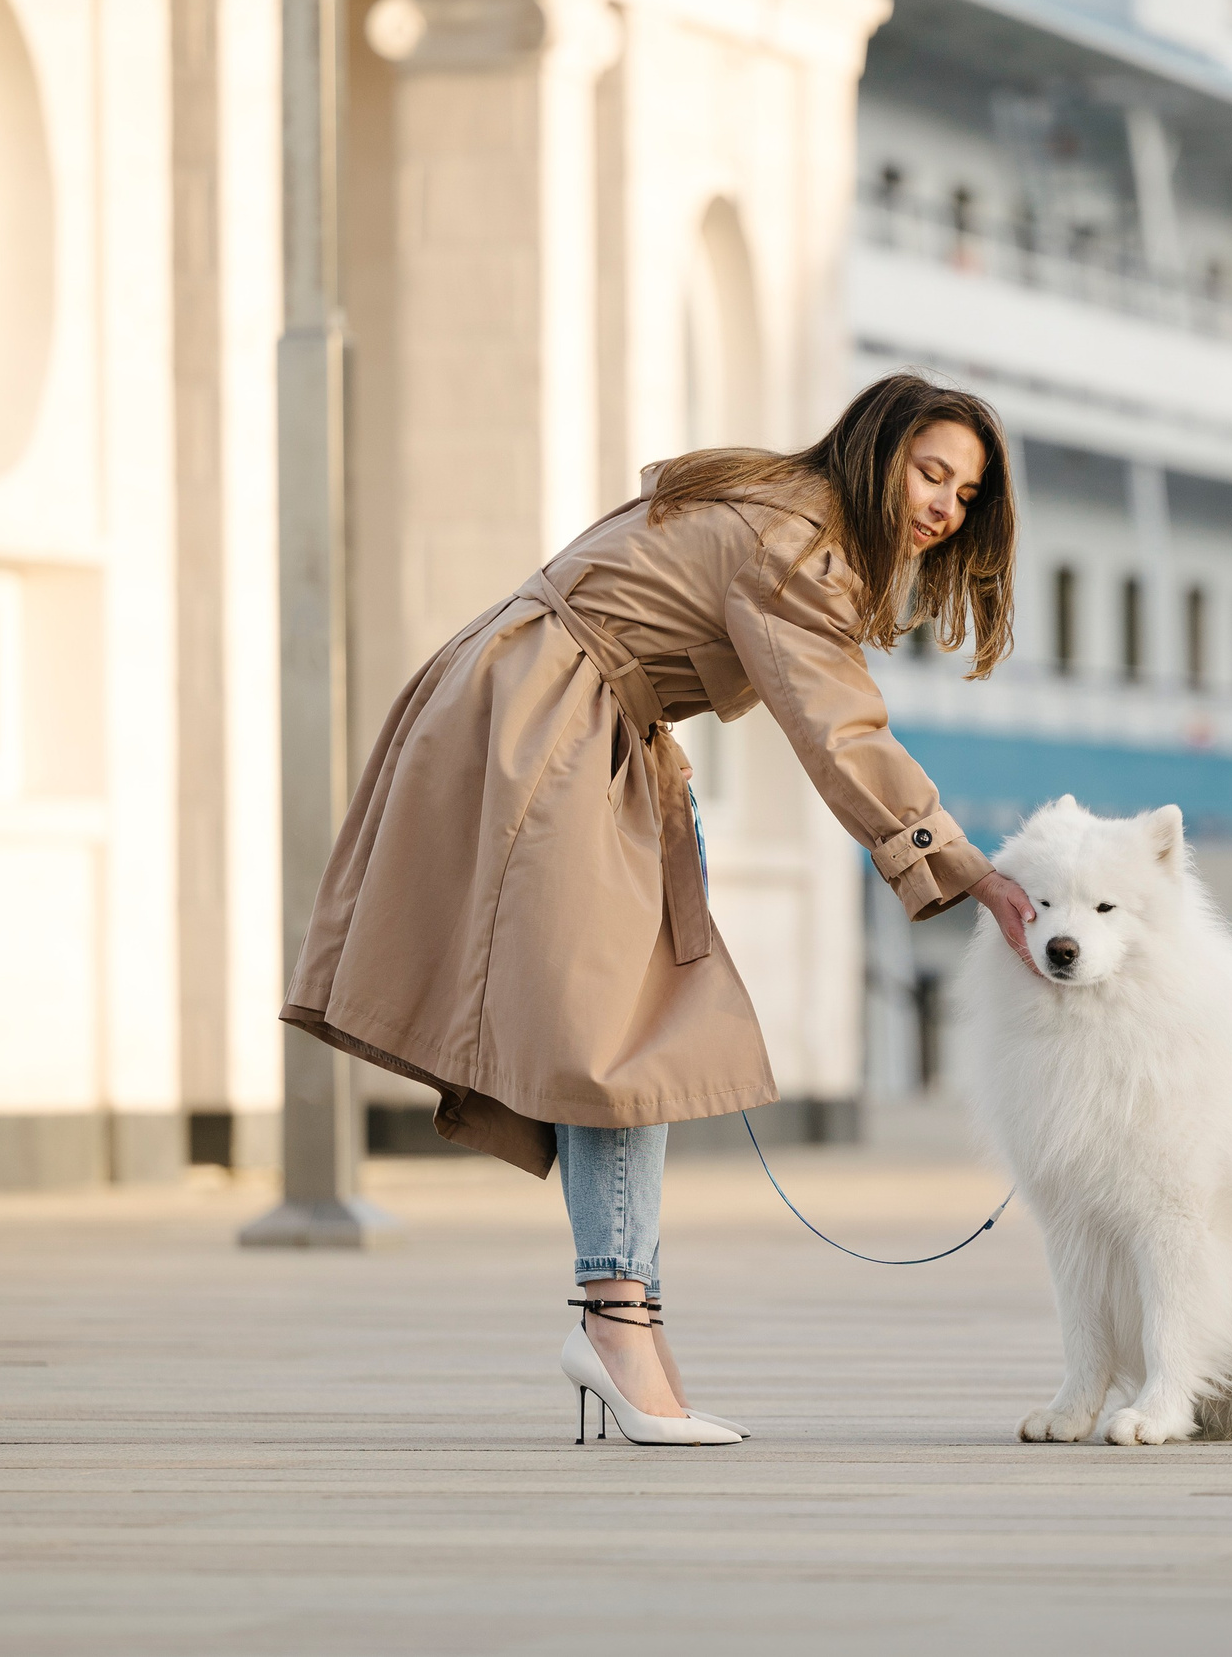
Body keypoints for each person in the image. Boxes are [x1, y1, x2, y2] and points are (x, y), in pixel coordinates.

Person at [281, 372, 1039, 1445]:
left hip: (557, 709)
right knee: (626, 1036)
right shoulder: (797, 543)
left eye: (964, 497)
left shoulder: (775, 504)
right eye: (931, 473)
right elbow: (841, 730)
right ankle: (616, 1321)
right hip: (551, 718)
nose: (942, 509)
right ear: (875, 449)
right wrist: (959, 865)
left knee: (624, 1027)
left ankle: (623, 1321)